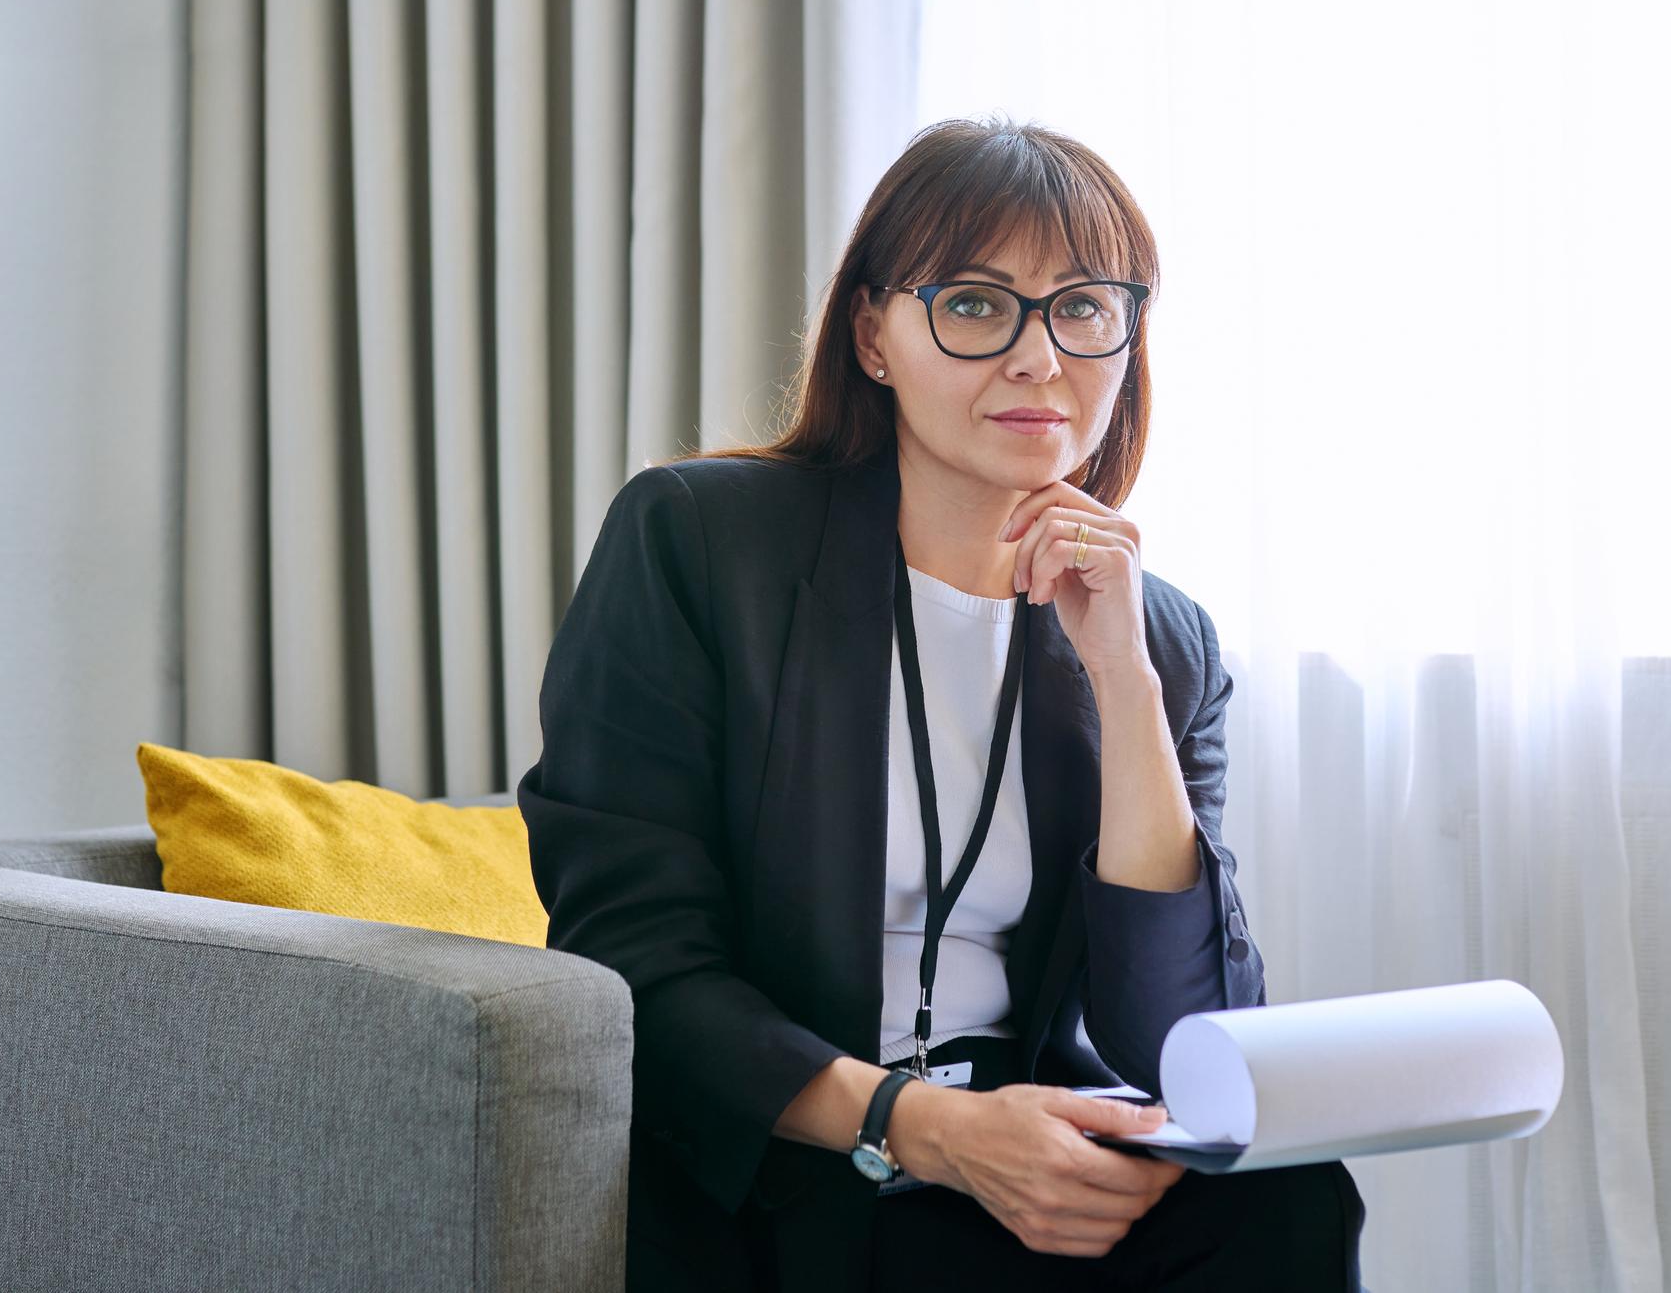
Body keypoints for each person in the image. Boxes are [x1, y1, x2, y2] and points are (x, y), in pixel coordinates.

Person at [517, 116, 1367, 1292]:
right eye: (975, 304)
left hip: (1024, 1136)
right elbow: (632, 964)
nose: (1039, 357)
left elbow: (1177, 1035)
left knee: (1285, 1196)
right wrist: (918, 1127)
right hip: (786, 1150)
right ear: (874, 334)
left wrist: (1123, 679)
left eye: (1083, 307)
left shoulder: (1164, 633)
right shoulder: (698, 542)